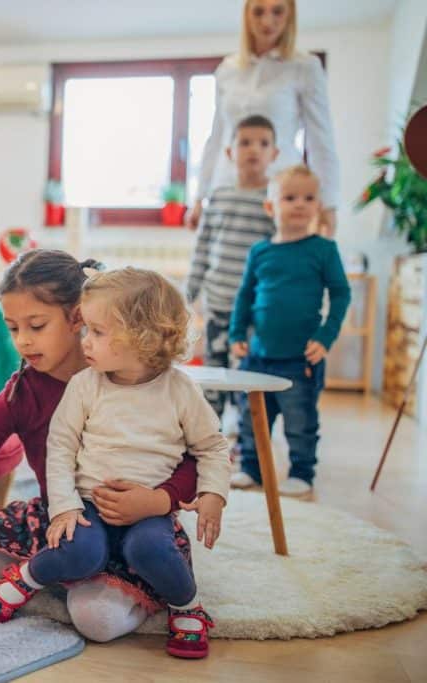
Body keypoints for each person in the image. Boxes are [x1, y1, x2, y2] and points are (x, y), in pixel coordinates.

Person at [0, 249, 200, 645]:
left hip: (139, 524)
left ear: (78, 316)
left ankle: (135, 580)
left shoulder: (135, 377)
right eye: (13, 328)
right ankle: (56, 570)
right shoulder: (21, 392)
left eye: (37, 325)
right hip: (61, 522)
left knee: (96, 621)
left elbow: (195, 459)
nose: (23, 341)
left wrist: (158, 502)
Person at [0, 267, 231, 659]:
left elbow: (211, 448)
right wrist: (64, 507)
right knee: (79, 552)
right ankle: (27, 577)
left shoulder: (180, 389)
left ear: (140, 337)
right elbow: (60, 447)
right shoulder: (86, 384)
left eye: (97, 332)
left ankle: (188, 606)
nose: (85, 341)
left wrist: (214, 493)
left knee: (151, 550)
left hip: (148, 508)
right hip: (87, 504)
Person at [229, 165, 351, 497]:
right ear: (271, 207)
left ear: (317, 206)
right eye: (290, 197)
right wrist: (237, 333)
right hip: (258, 357)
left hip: (300, 358)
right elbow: (245, 296)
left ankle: (301, 472)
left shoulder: (324, 250)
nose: (299, 204)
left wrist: (326, 337)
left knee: (300, 421)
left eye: (308, 198)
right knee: (252, 419)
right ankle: (251, 468)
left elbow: (341, 294)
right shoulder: (260, 252)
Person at [187, 0, 340, 238]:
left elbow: (321, 140)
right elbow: (217, 136)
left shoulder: (305, 67)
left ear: (290, 15)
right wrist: (199, 197)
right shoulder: (227, 69)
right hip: (227, 188)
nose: (268, 21)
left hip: (280, 192)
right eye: (259, 12)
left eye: (277, 11)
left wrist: (328, 204)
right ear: (247, 15)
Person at [185, 114, 279, 418]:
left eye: (263, 144)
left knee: (248, 372)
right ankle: (211, 435)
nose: (254, 149)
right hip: (218, 302)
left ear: (274, 154)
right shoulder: (219, 197)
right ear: (230, 152)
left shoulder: (274, 201)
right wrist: (189, 292)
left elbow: (278, 253)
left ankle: (246, 437)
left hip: (254, 309)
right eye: (245, 143)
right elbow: (203, 248)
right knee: (214, 370)